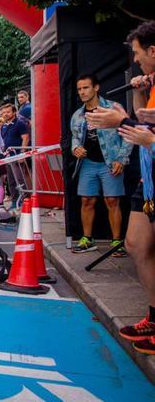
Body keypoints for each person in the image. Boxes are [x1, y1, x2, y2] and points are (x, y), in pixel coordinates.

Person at [85, 21, 155, 355]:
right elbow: (147, 122)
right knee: (136, 244)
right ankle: (153, 316)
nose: (137, 61)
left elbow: (143, 131)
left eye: (139, 54)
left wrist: (119, 122)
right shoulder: (152, 82)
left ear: (153, 51)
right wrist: (140, 90)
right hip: (149, 176)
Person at [70, 74, 130, 254]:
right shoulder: (78, 115)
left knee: (112, 200)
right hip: (88, 162)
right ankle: (87, 238)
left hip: (110, 161)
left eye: (86, 87)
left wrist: (121, 159)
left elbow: (128, 134)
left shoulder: (112, 108)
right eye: (79, 89)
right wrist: (76, 148)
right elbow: (74, 137)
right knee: (86, 200)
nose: (82, 92)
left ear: (96, 87)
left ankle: (116, 241)